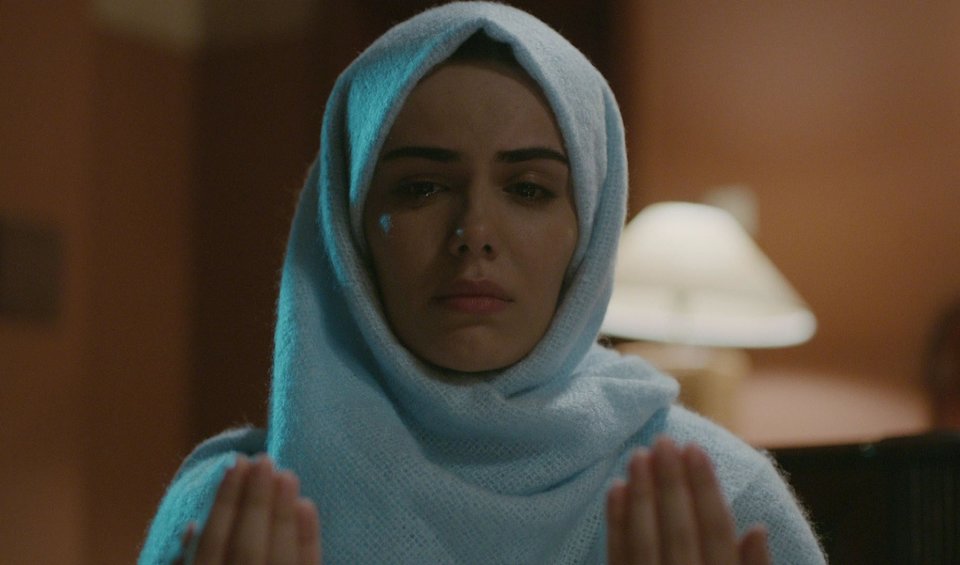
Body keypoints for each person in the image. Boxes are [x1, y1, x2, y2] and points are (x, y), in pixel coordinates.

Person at [139, 3, 825, 564]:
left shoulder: (712, 500)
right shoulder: (232, 515)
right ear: (348, 231)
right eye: (422, 187)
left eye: (528, 189)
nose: (474, 232)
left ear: (586, 229)